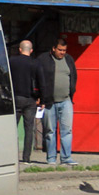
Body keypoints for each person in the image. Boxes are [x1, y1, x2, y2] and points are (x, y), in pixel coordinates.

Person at [35, 36, 78, 165]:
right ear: (53, 49)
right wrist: (39, 96)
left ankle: (66, 158)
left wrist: (72, 92)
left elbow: (74, 76)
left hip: (66, 101)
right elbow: (36, 78)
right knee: (50, 131)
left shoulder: (69, 60)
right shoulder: (43, 60)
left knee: (67, 130)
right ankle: (51, 159)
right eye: (60, 50)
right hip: (48, 102)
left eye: (64, 50)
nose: (62, 53)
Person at [8, 39, 42, 163]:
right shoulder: (35, 63)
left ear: (20, 49)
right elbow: (41, 81)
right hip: (31, 99)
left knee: (12, 128)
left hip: (16, 98)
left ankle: (10, 156)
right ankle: (26, 158)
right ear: (31, 50)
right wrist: (42, 98)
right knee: (29, 129)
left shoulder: (12, 61)